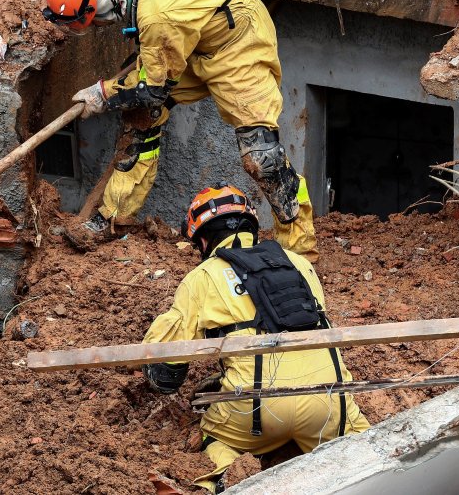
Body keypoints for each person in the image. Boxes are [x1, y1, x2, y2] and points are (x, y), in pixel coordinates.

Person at [41, 0, 316, 260]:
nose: (100, 26)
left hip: (238, 39)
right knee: (143, 117)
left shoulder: (156, 15)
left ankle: (299, 248)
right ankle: (114, 217)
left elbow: (151, 89)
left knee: (261, 157)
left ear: (98, 5)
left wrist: (103, 95)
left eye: (93, 21)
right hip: (193, 36)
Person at [141, 184, 369, 492]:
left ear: (203, 238)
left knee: (214, 438)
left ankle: (221, 478)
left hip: (257, 417)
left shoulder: (203, 276)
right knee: (365, 446)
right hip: (327, 405)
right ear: (251, 226)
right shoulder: (299, 263)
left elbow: (165, 374)